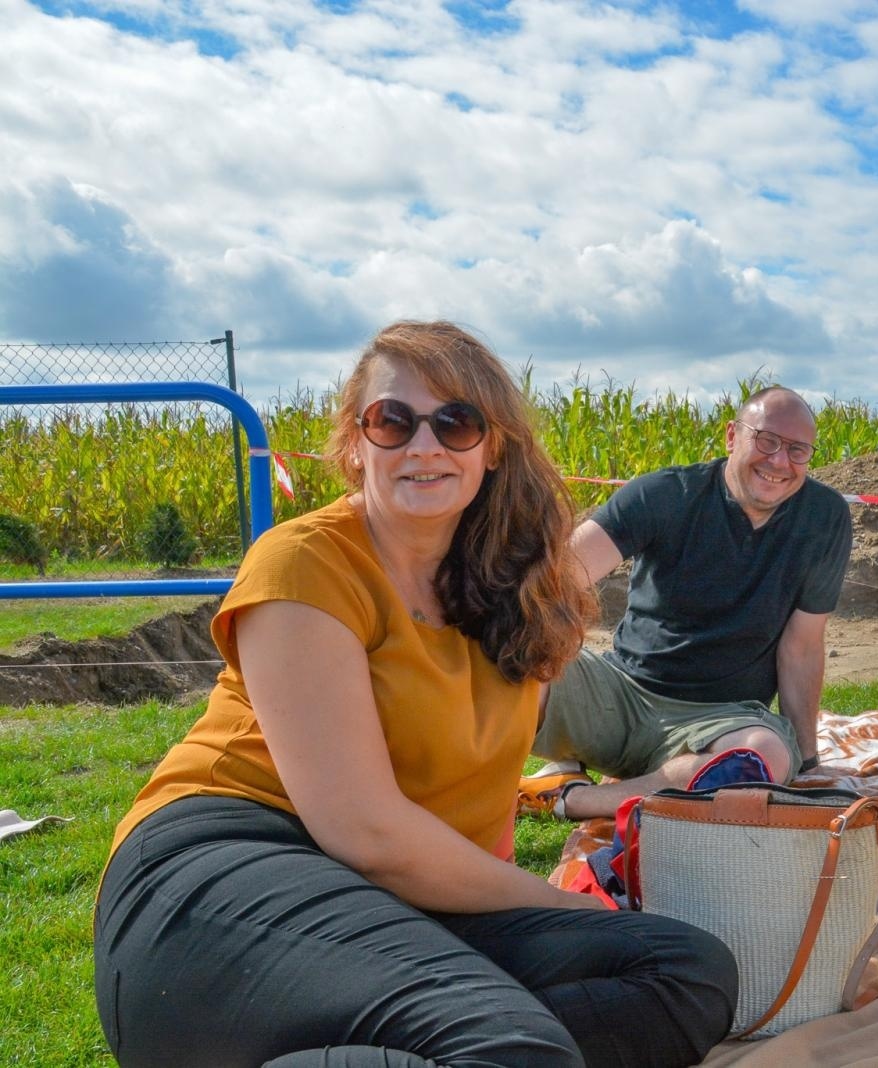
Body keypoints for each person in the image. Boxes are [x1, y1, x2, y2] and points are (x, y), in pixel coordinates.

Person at [93, 322, 737, 1068]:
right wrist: (566, 906)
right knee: (511, 1045)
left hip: (391, 902)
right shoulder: (306, 563)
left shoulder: (519, 591)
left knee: (685, 969)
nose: (423, 445)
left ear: (492, 447)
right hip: (224, 875)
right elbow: (363, 830)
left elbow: (483, 805)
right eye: (392, 421)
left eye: (455, 422)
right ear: (356, 442)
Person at [524, 386, 852, 820]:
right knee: (513, 664)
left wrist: (808, 762)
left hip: (721, 720)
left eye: (797, 450)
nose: (779, 461)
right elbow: (559, 580)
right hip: (620, 694)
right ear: (732, 435)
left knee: (763, 756)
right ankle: (455, 798)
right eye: (766, 440)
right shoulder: (664, 495)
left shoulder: (824, 518)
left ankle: (573, 798)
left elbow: (803, 645)